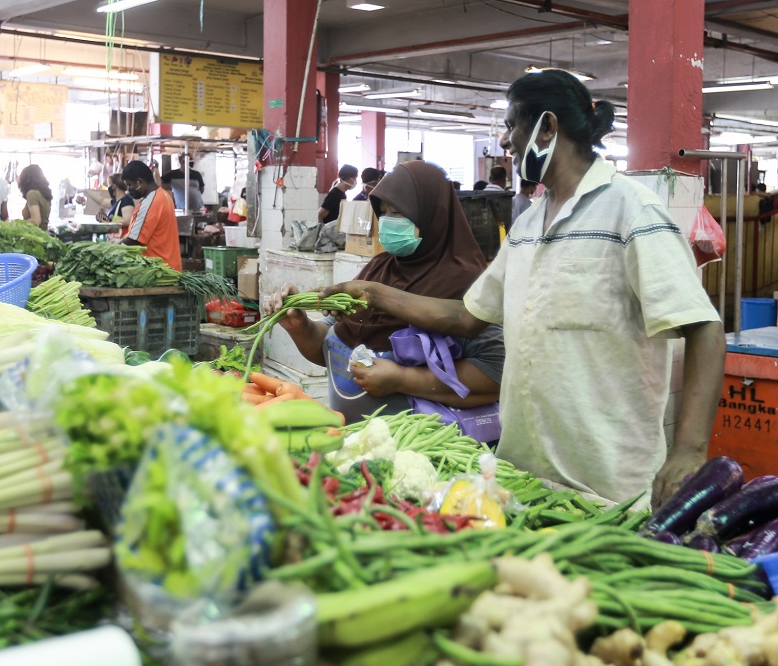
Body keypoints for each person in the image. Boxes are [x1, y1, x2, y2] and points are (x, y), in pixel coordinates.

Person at [321, 69, 725, 510]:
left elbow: (704, 328)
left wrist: (689, 449)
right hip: (524, 474)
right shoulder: (529, 224)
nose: (506, 142)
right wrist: (375, 293)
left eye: (513, 124)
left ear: (548, 127)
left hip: (607, 481)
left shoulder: (633, 214)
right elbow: (465, 317)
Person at [263, 161, 505, 426]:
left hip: (422, 452)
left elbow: (496, 373)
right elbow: (334, 347)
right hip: (354, 445)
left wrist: (404, 379)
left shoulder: (467, 284)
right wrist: (300, 326)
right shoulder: (378, 268)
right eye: (384, 211)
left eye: (399, 212)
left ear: (433, 215)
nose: (389, 221)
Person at [121, 160, 182, 271]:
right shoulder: (163, 195)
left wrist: (109, 248)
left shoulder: (150, 202)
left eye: (130, 185)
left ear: (139, 182)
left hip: (157, 269)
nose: (129, 190)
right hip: (168, 266)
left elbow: (134, 240)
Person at [17, 164, 53, 231]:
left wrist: (18, 223)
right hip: (44, 234)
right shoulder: (44, 193)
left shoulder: (32, 193)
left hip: (35, 236)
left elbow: (36, 221)